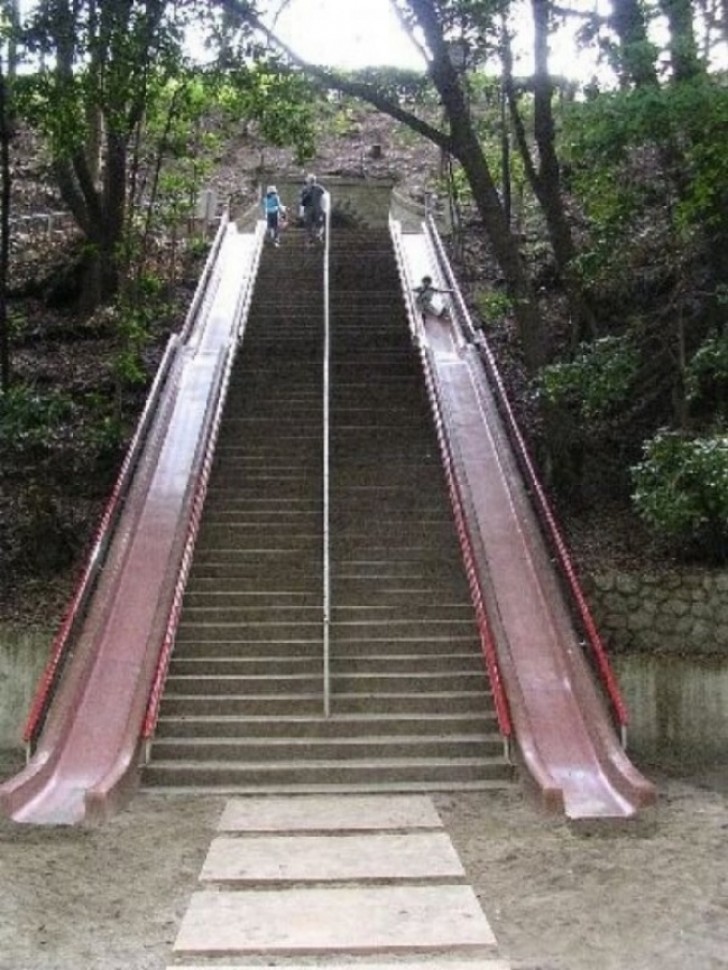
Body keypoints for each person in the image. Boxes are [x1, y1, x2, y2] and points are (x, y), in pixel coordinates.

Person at [299, 173, 326, 244]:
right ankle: (314, 238)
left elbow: (301, 202)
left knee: (315, 225)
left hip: (314, 209)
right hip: (313, 209)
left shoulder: (319, 189)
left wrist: (301, 211)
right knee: (313, 225)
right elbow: (302, 202)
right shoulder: (318, 188)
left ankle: (315, 237)